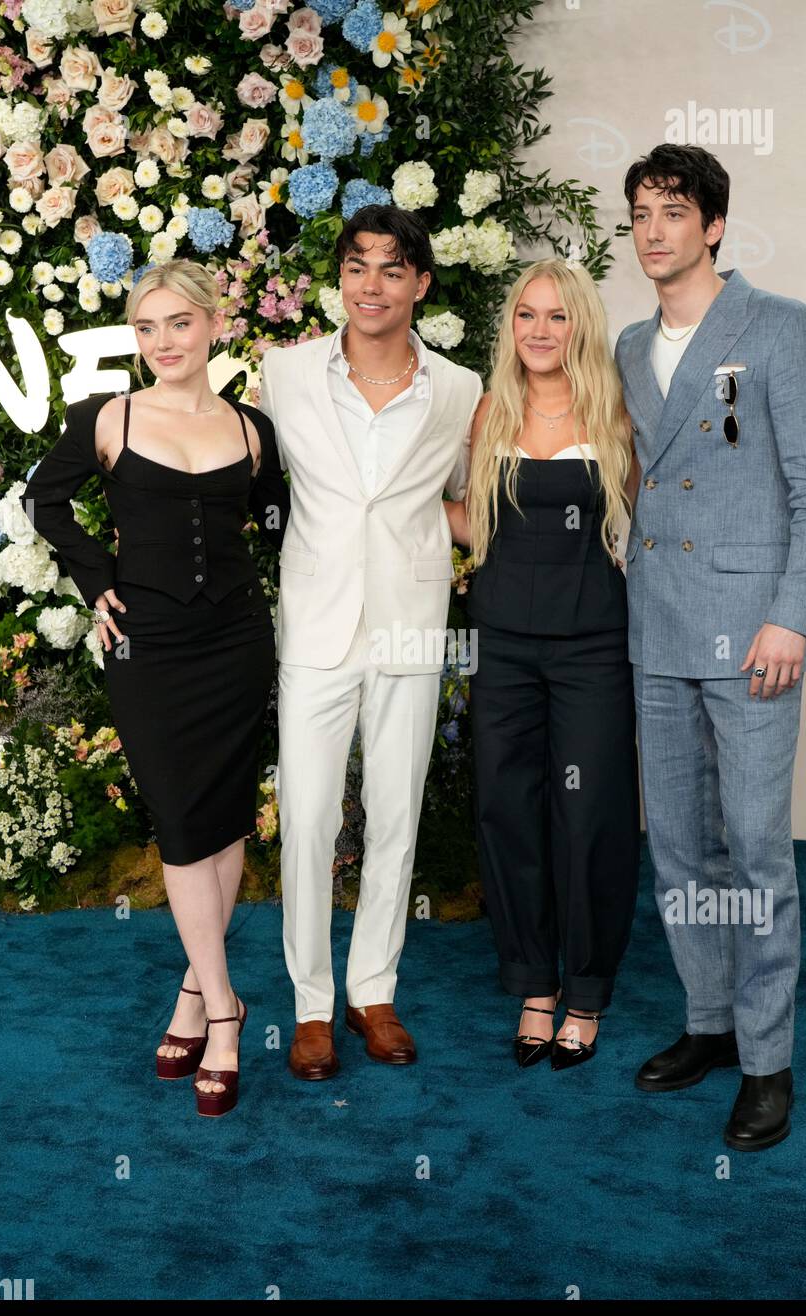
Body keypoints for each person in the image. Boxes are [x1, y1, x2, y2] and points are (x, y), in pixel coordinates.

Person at [614, 144, 806, 1150]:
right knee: (676, 846)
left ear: (711, 224)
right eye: (638, 214)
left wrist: (791, 614)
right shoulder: (627, 345)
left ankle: (765, 1059)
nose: (652, 230)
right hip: (657, 627)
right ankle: (706, 1021)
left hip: (752, 632)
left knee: (754, 850)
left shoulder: (779, 328)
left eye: (672, 211)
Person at [20, 258, 290, 1118]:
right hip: (148, 643)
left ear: (214, 326)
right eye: (146, 327)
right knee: (179, 822)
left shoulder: (253, 428)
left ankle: (191, 998)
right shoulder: (106, 418)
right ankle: (226, 1012)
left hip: (238, 641)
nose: (163, 342)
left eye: (179, 323)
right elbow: (45, 501)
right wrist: (97, 577)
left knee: (220, 816)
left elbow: (281, 521)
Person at [258, 205, 483, 1080]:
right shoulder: (283, 373)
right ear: (339, 279)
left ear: (421, 284)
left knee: (395, 812)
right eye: (358, 267)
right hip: (314, 624)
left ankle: (372, 990)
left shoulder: (460, 389)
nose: (373, 286)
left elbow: (468, 503)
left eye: (393, 269)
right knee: (310, 817)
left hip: (409, 625)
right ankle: (312, 1005)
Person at [446, 255, 641, 1069]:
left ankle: (587, 988)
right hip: (501, 642)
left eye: (556, 316)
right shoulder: (490, 409)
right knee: (507, 807)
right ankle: (532, 979)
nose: (539, 330)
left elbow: (656, 522)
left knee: (591, 814)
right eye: (526, 315)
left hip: (593, 642)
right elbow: (467, 521)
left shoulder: (616, 411)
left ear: (580, 326)